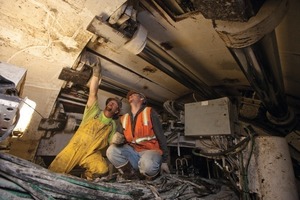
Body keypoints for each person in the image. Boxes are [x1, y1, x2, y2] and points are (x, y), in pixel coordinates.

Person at [48, 51, 122, 180]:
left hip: (92, 153)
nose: (111, 104)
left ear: (117, 111)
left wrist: (117, 142)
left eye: (114, 104)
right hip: (76, 147)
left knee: (102, 170)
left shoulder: (112, 125)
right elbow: (93, 93)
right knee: (54, 173)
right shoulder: (94, 112)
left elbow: (111, 144)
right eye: (110, 102)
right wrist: (96, 72)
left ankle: (86, 181)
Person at [106, 90, 170, 180]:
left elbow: (161, 136)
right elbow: (122, 139)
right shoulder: (124, 118)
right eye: (129, 96)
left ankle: (151, 179)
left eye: (133, 95)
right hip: (134, 153)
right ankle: (132, 176)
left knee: (148, 166)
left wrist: (165, 161)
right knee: (111, 151)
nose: (130, 96)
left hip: (151, 152)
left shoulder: (149, 112)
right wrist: (117, 140)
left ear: (142, 99)